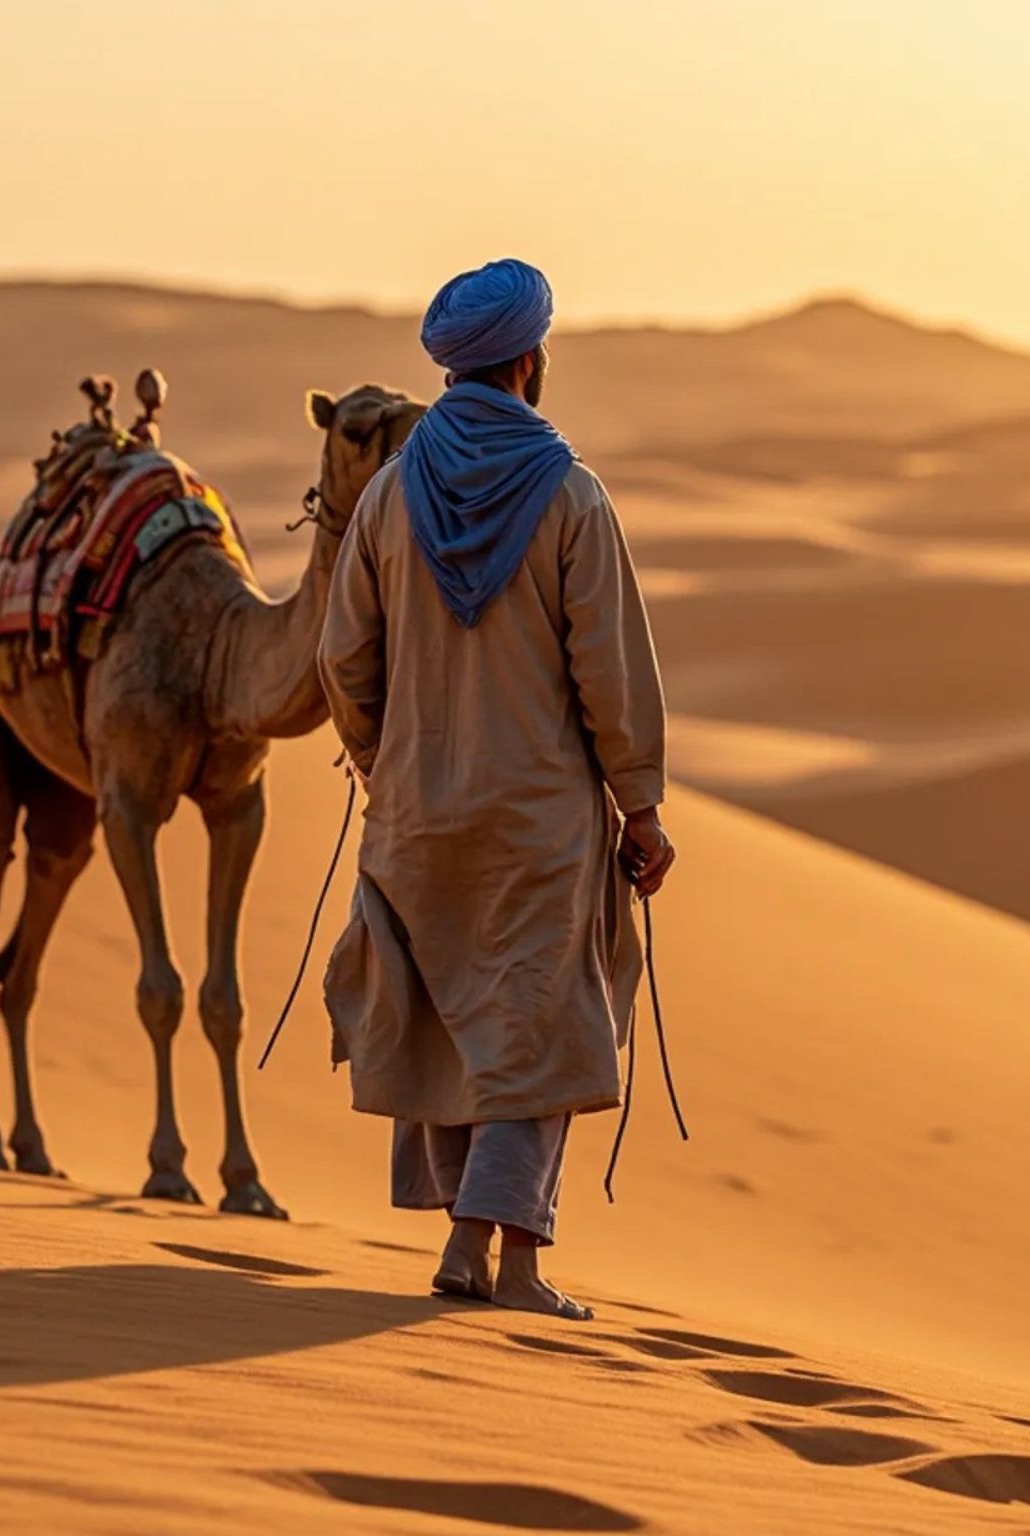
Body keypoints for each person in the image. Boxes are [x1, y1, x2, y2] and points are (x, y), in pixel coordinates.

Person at [318, 257, 674, 1320]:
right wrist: (641, 803)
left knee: (456, 1016)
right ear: (531, 363)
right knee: (543, 1017)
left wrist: (387, 764)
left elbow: (344, 658)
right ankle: (504, 1261)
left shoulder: (387, 497)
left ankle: (473, 1243)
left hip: (417, 814)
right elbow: (610, 669)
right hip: (539, 820)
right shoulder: (570, 496)